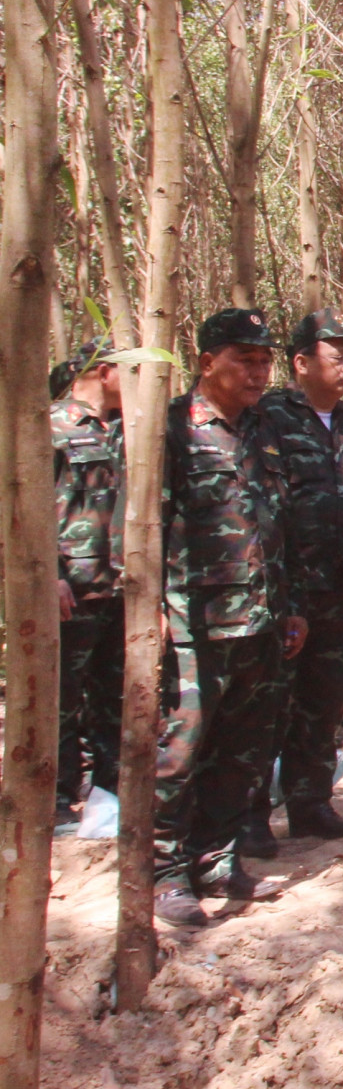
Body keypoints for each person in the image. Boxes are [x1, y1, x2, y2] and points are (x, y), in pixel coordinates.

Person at [153, 309, 308, 928]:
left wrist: (291, 606)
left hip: (262, 621)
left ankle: (217, 859)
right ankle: (164, 873)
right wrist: (149, 611)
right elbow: (144, 525)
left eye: (264, 359)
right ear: (207, 360)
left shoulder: (264, 430)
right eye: (244, 358)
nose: (257, 370)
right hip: (194, 624)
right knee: (179, 752)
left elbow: (280, 526)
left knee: (242, 752)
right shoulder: (170, 430)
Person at [247, 309, 343, 854]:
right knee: (272, 702)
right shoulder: (270, 415)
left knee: (326, 700)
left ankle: (310, 803)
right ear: (301, 363)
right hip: (289, 583)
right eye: (336, 355)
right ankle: (250, 814)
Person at [51, 338, 124, 820]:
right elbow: (22, 505)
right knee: (59, 697)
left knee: (115, 696)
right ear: (101, 372)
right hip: (69, 588)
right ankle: (54, 796)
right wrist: (49, 575)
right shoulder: (51, 424)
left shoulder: (124, 430)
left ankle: (108, 793)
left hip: (120, 587)